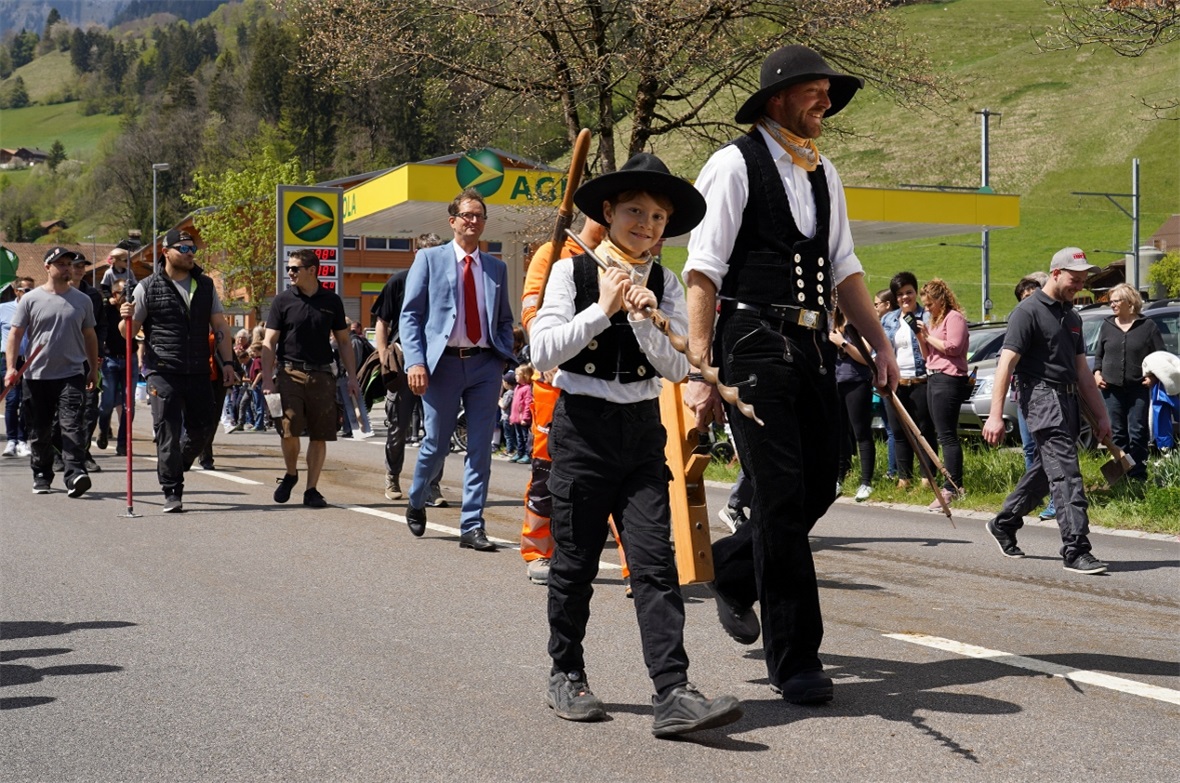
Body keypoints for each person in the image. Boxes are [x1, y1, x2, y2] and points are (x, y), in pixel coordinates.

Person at [682, 44, 899, 705]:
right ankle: (796, 658)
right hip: (750, 341)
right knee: (778, 495)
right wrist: (701, 368)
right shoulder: (732, 164)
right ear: (777, 98)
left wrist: (879, 343)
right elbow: (703, 270)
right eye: (814, 90)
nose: (826, 100)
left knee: (825, 476)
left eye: (829, 91)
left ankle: (731, 567)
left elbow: (845, 267)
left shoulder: (823, 171)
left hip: (811, 346)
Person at [531, 151, 741, 737]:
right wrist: (602, 309)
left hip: (643, 435)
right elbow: (542, 352)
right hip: (582, 431)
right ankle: (566, 672)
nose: (645, 225)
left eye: (656, 217)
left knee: (653, 565)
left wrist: (647, 320)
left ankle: (672, 691)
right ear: (608, 212)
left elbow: (678, 368)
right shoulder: (571, 272)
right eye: (634, 212)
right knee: (574, 564)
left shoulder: (666, 284)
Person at [398, 189, 516, 551]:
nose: (473, 221)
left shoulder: (496, 267)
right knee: (435, 444)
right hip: (442, 366)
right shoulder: (429, 259)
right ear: (453, 221)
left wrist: (501, 355)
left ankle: (472, 525)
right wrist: (415, 361)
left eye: (479, 215)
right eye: (467, 215)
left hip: (484, 365)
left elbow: (504, 319)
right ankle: (417, 498)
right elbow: (410, 315)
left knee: (480, 448)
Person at [983, 247, 1112, 575]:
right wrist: (995, 415)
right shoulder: (1027, 312)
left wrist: (1101, 415)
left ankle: (1004, 523)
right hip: (1041, 398)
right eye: (1074, 279)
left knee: (1045, 471)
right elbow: (1005, 364)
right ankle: (1076, 548)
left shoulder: (1072, 317)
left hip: (1069, 401)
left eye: (1083, 280)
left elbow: (1082, 372)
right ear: (1055, 273)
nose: (1079, 286)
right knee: (1067, 473)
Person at [121, 229, 239, 513]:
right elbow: (129, 333)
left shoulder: (206, 285)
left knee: (203, 429)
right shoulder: (147, 287)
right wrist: (125, 318)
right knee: (168, 432)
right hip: (162, 370)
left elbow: (220, 326)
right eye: (183, 249)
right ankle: (172, 490)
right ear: (166, 252)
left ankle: (179, 463)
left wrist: (228, 363)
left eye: (192, 249)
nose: (190, 254)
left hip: (199, 369)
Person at [261, 248, 359, 508]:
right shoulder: (282, 301)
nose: (290, 273)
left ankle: (311, 490)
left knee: (320, 433)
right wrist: (268, 379)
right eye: (288, 268)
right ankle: (291, 473)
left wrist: (352, 377)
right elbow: (269, 342)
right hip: (289, 372)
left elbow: (344, 341)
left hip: (323, 374)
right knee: (288, 429)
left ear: (312, 270)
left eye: (295, 268)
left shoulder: (332, 301)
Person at [4, 247, 99, 497]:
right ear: (47, 267)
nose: (67, 268)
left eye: (69, 263)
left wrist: (93, 369)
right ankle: (41, 473)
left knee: (72, 425)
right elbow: (15, 334)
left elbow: (90, 335)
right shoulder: (31, 299)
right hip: (37, 376)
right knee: (40, 431)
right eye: (61, 263)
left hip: (72, 374)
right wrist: (11, 367)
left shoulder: (83, 300)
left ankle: (75, 473)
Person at [372, 233, 447, 505]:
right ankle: (392, 476)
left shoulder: (447, 283)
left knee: (437, 430)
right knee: (399, 427)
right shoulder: (399, 281)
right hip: (404, 363)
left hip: (438, 364)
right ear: (417, 254)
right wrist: (384, 356)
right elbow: (382, 321)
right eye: (429, 253)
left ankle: (432, 486)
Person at [1093, 282, 1163, 481]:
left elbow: (1160, 356)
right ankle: (1121, 477)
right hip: (1111, 389)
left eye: (1116, 301)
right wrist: (1097, 374)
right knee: (1117, 433)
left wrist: (1153, 376)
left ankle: (1138, 476)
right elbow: (1098, 355)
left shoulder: (1147, 326)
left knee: (1138, 431)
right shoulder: (1107, 326)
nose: (1112, 304)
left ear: (1130, 302)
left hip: (1137, 387)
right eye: (1111, 301)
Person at [881, 270, 937, 489]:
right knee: (899, 432)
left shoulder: (927, 316)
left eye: (909, 292)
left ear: (915, 292)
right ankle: (904, 478)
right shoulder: (888, 319)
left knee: (924, 430)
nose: (905, 297)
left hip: (920, 380)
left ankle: (927, 478)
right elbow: (882, 349)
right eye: (900, 294)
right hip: (897, 383)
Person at [918, 277, 971, 508]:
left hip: (949, 378)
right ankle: (952, 484)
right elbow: (926, 355)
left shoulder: (954, 317)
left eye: (930, 304)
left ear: (941, 299)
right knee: (941, 433)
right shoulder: (934, 321)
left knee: (947, 435)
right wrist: (921, 336)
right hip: (933, 376)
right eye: (925, 305)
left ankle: (952, 486)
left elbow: (953, 347)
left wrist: (928, 337)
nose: (927, 308)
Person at [1013, 273, 1056, 521]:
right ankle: (1032, 496)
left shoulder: (1048, 321)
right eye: (1024, 297)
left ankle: (1055, 498)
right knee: (1029, 448)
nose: (1028, 300)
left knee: (1047, 450)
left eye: (1031, 295)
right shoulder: (1019, 322)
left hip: (1046, 395)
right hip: (1023, 395)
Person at [66, 253, 106, 473]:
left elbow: (101, 326)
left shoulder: (92, 295)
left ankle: (83, 452)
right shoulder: (59, 293)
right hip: (64, 359)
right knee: (66, 409)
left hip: (88, 359)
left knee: (90, 409)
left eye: (82, 266)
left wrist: (98, 351)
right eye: (76, 265)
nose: (80, 269)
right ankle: (59, 452)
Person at [829, 309, 875, 502]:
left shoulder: (861, 322)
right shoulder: (831, 322)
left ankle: (866, 482)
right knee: (839, 433)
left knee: (861, 433)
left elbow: (866, 356)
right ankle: (839, 479)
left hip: (857, 382)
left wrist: (843, 343)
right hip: (835, 382)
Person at [97, 277, 137, 457]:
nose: (128, 296)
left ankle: (123, 444)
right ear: (114, 294)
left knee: (129, 406)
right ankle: (104, 428)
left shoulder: (134, 310)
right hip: (110, 360)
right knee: (107, 403)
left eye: (130, 293)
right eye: (124, 293)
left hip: (130, 359)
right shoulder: (107, 311)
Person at [1, 277, 34, 457]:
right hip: (9, 361)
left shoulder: (36, 309)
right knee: (12, 400)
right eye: (26, 290)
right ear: (16, 291)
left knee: (27, 401)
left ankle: (23, 440)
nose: (30, 294)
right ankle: (11, 440)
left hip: (30, 361)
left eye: (32, 290)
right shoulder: (3, 309)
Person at [874, 287, 900, 479]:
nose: (874, 308)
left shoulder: (888, 326)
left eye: (877, 304)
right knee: (890, 427)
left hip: (891, 379)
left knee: (893, 429)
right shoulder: (883, 324)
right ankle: (895, 470)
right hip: (882, 380)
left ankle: (894, 471)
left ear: (887, 304)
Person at [509, 363, 534, 462]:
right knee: (519, 437)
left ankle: (527, 454)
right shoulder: (517, 388)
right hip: (516, 418)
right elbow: (514, 404)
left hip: (523, 419)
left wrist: (525, 418)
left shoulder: (527, 388)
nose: (515, 376)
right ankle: (520, 452)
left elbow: (528, 404)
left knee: (525, 437)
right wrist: (512, 417)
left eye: (518, 375)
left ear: (525, 376)